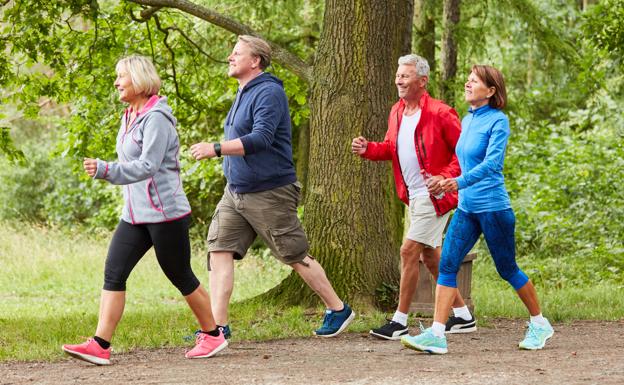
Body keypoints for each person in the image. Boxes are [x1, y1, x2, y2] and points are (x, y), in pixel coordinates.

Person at [62, 56, 227, 365]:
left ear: (138, 79)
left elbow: (148, 165)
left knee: (179, 274)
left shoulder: (157, 118)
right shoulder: (129, 115)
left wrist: (106, 169)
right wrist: (111, 171)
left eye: (121, 76)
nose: (116, 82)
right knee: (114, 272)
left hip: (166, 214)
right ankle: (100, 344)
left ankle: (213, 335)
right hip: (135, 215)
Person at [190, 35, 355, 338]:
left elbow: (261, 138)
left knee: (294, 255)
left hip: (269, 191)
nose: (230, 56)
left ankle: (338, 308)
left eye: (236, 53)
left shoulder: (268, 92)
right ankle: (217, 329)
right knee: (219, 250)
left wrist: (216, 148)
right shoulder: (243, 92)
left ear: (255, 61)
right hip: (236, 190)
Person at [401, 65, 554, 354]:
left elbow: (492, 164)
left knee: (506, 268)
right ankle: (437, 334)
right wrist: (443, 180)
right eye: (468, 80)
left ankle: (539, 322)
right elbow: (461, 161)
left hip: (493, 208)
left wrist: (455, 183)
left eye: (475, 81)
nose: (468, 84)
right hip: (467, 208)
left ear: (491, 91)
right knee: (447, 265)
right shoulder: (468, 120)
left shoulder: (498, 122)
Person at [351, 54, 476, 340]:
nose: (399, 80)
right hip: (413, 197)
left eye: (405, 76)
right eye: (398, 75)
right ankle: (463, 316)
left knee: (408, 251)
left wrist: (446, 179)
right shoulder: (396, 111)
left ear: (422, 81)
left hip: (436, 197)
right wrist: (368, 148)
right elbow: (391, 148)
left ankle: (400, 320)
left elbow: (464, 154)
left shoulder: (441, 113)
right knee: (431, 258)